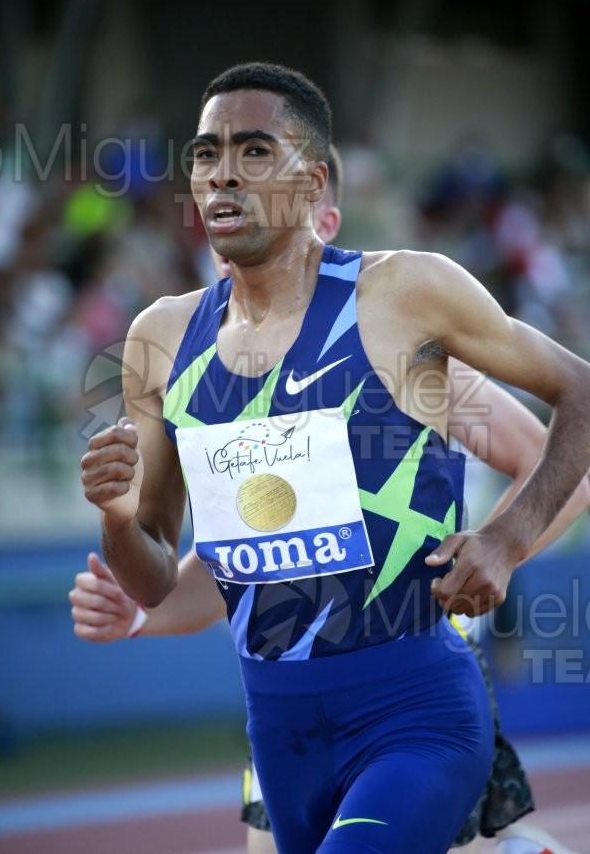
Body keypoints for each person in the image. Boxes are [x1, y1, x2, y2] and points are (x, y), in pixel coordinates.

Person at [80, 63, 590, 854]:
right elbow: (215, 564)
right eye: (207, 153)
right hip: (280, 722)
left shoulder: (405, 310)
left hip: (413, 693)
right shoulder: (162, 341)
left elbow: (572, 428)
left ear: (317, 192)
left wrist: (504, 542)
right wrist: (119, 539)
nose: (223, 173)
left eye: (254, 151)